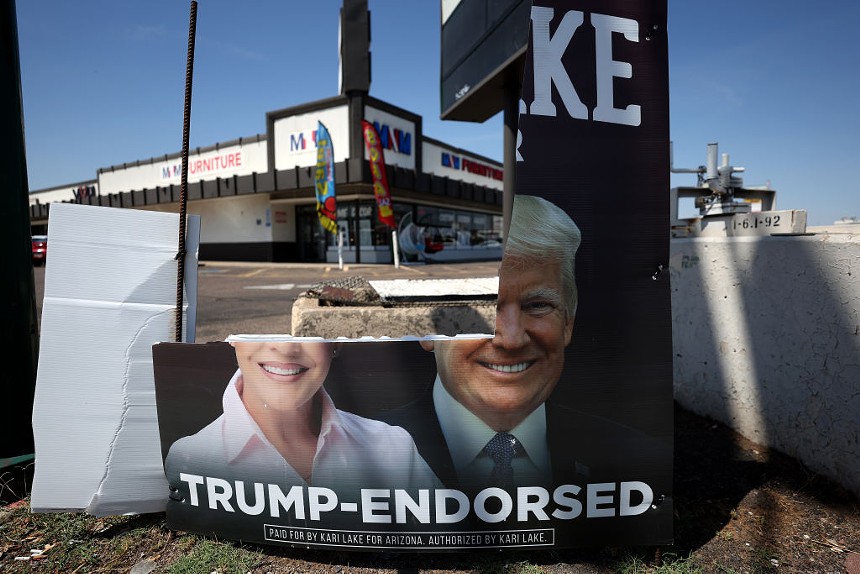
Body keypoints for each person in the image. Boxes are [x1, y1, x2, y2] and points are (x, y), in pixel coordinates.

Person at [381, 194, 666, 492]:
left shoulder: (639, 462)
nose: (512, 338)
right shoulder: (349, 459)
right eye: (481, 305)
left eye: (538, 305)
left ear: (568, 322)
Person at [164, 340, 440, 498]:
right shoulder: (190, 458)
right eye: (261, 331)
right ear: (232, 338)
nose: (285, 348)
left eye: (308, 330)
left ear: (336, 343)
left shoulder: (393, 446)